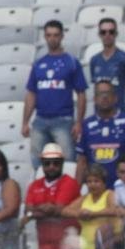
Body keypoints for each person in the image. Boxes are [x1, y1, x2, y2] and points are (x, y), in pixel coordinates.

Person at [23, 20, 89, 167]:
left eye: (56, 35)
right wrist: (25, 122)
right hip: (40, 119)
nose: (52, 38)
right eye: (49, 35)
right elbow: (32, 93)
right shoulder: (39, 64)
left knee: (68, 161)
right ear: (45, 37)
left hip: (63, 120)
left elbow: (81, 93)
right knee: (37, 162)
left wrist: (79, 122)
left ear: (62, 36)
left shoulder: (71, 62)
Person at [75, 79, 125, 182]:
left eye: (108, 93)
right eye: (100, 93)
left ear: (115, 98)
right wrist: (76, 190)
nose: (104, 97)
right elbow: (82, 161)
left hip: (123, 189)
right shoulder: (86, 125)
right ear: (94, 98)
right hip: (97, 191)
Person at [23, 143, 82, 249]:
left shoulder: (70, 183)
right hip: (43, 246)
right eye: (47, 163)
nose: (51, 166)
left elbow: (57, 209)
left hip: (68, 245)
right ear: (42, 163)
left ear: (62, 163)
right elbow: (27, 209)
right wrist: (47, 209)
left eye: (56, 163)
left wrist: (36, 211)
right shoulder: (35, 185)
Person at [88, 17, 125, 115]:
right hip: (99, 114)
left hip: (119, 112)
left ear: (116, 34)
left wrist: (123, 104)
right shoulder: (94, 60)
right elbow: (96, 88)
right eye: (103, 32)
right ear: (99, 34)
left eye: (111, 32)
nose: (107, 35)